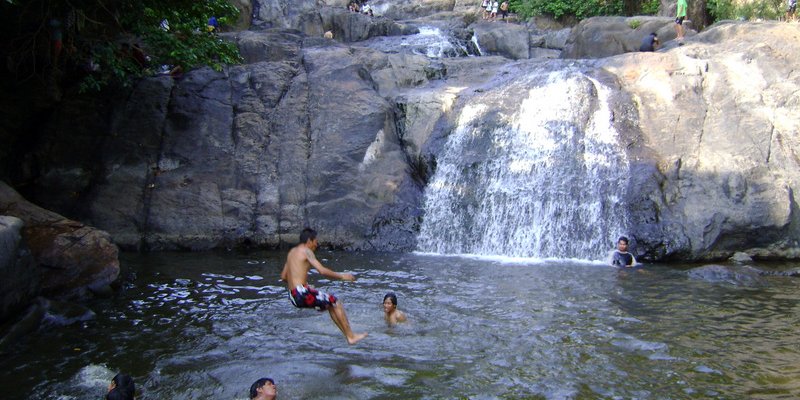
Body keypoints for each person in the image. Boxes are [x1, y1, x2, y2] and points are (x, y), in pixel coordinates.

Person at [281, 228, 368, 344]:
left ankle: (348, 335)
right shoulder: (307, 251)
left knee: (331, 305)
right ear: (309, 241)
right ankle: (351, 336)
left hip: (293, 296)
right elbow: (322, 270)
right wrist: (342, 276)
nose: (317, 244)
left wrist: (302, 286)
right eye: (315, 241)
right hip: (301, 293)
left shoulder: (291, 253)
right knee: (336, 303)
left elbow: (283, 277)